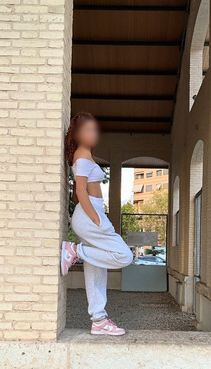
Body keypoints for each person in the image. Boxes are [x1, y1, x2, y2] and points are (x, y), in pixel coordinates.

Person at [60, 112, 134, 335]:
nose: (93, 134)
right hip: (90, 214)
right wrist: (96, 218)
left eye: (94, 129)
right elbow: (81, 192)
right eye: (87, 130)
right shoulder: (82, 156)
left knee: (96, 270)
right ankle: (74, 251)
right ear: (76, 134)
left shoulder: (84, 156)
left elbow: (76, 194)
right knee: (124, 255)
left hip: (89, 213)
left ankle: (99, 320)